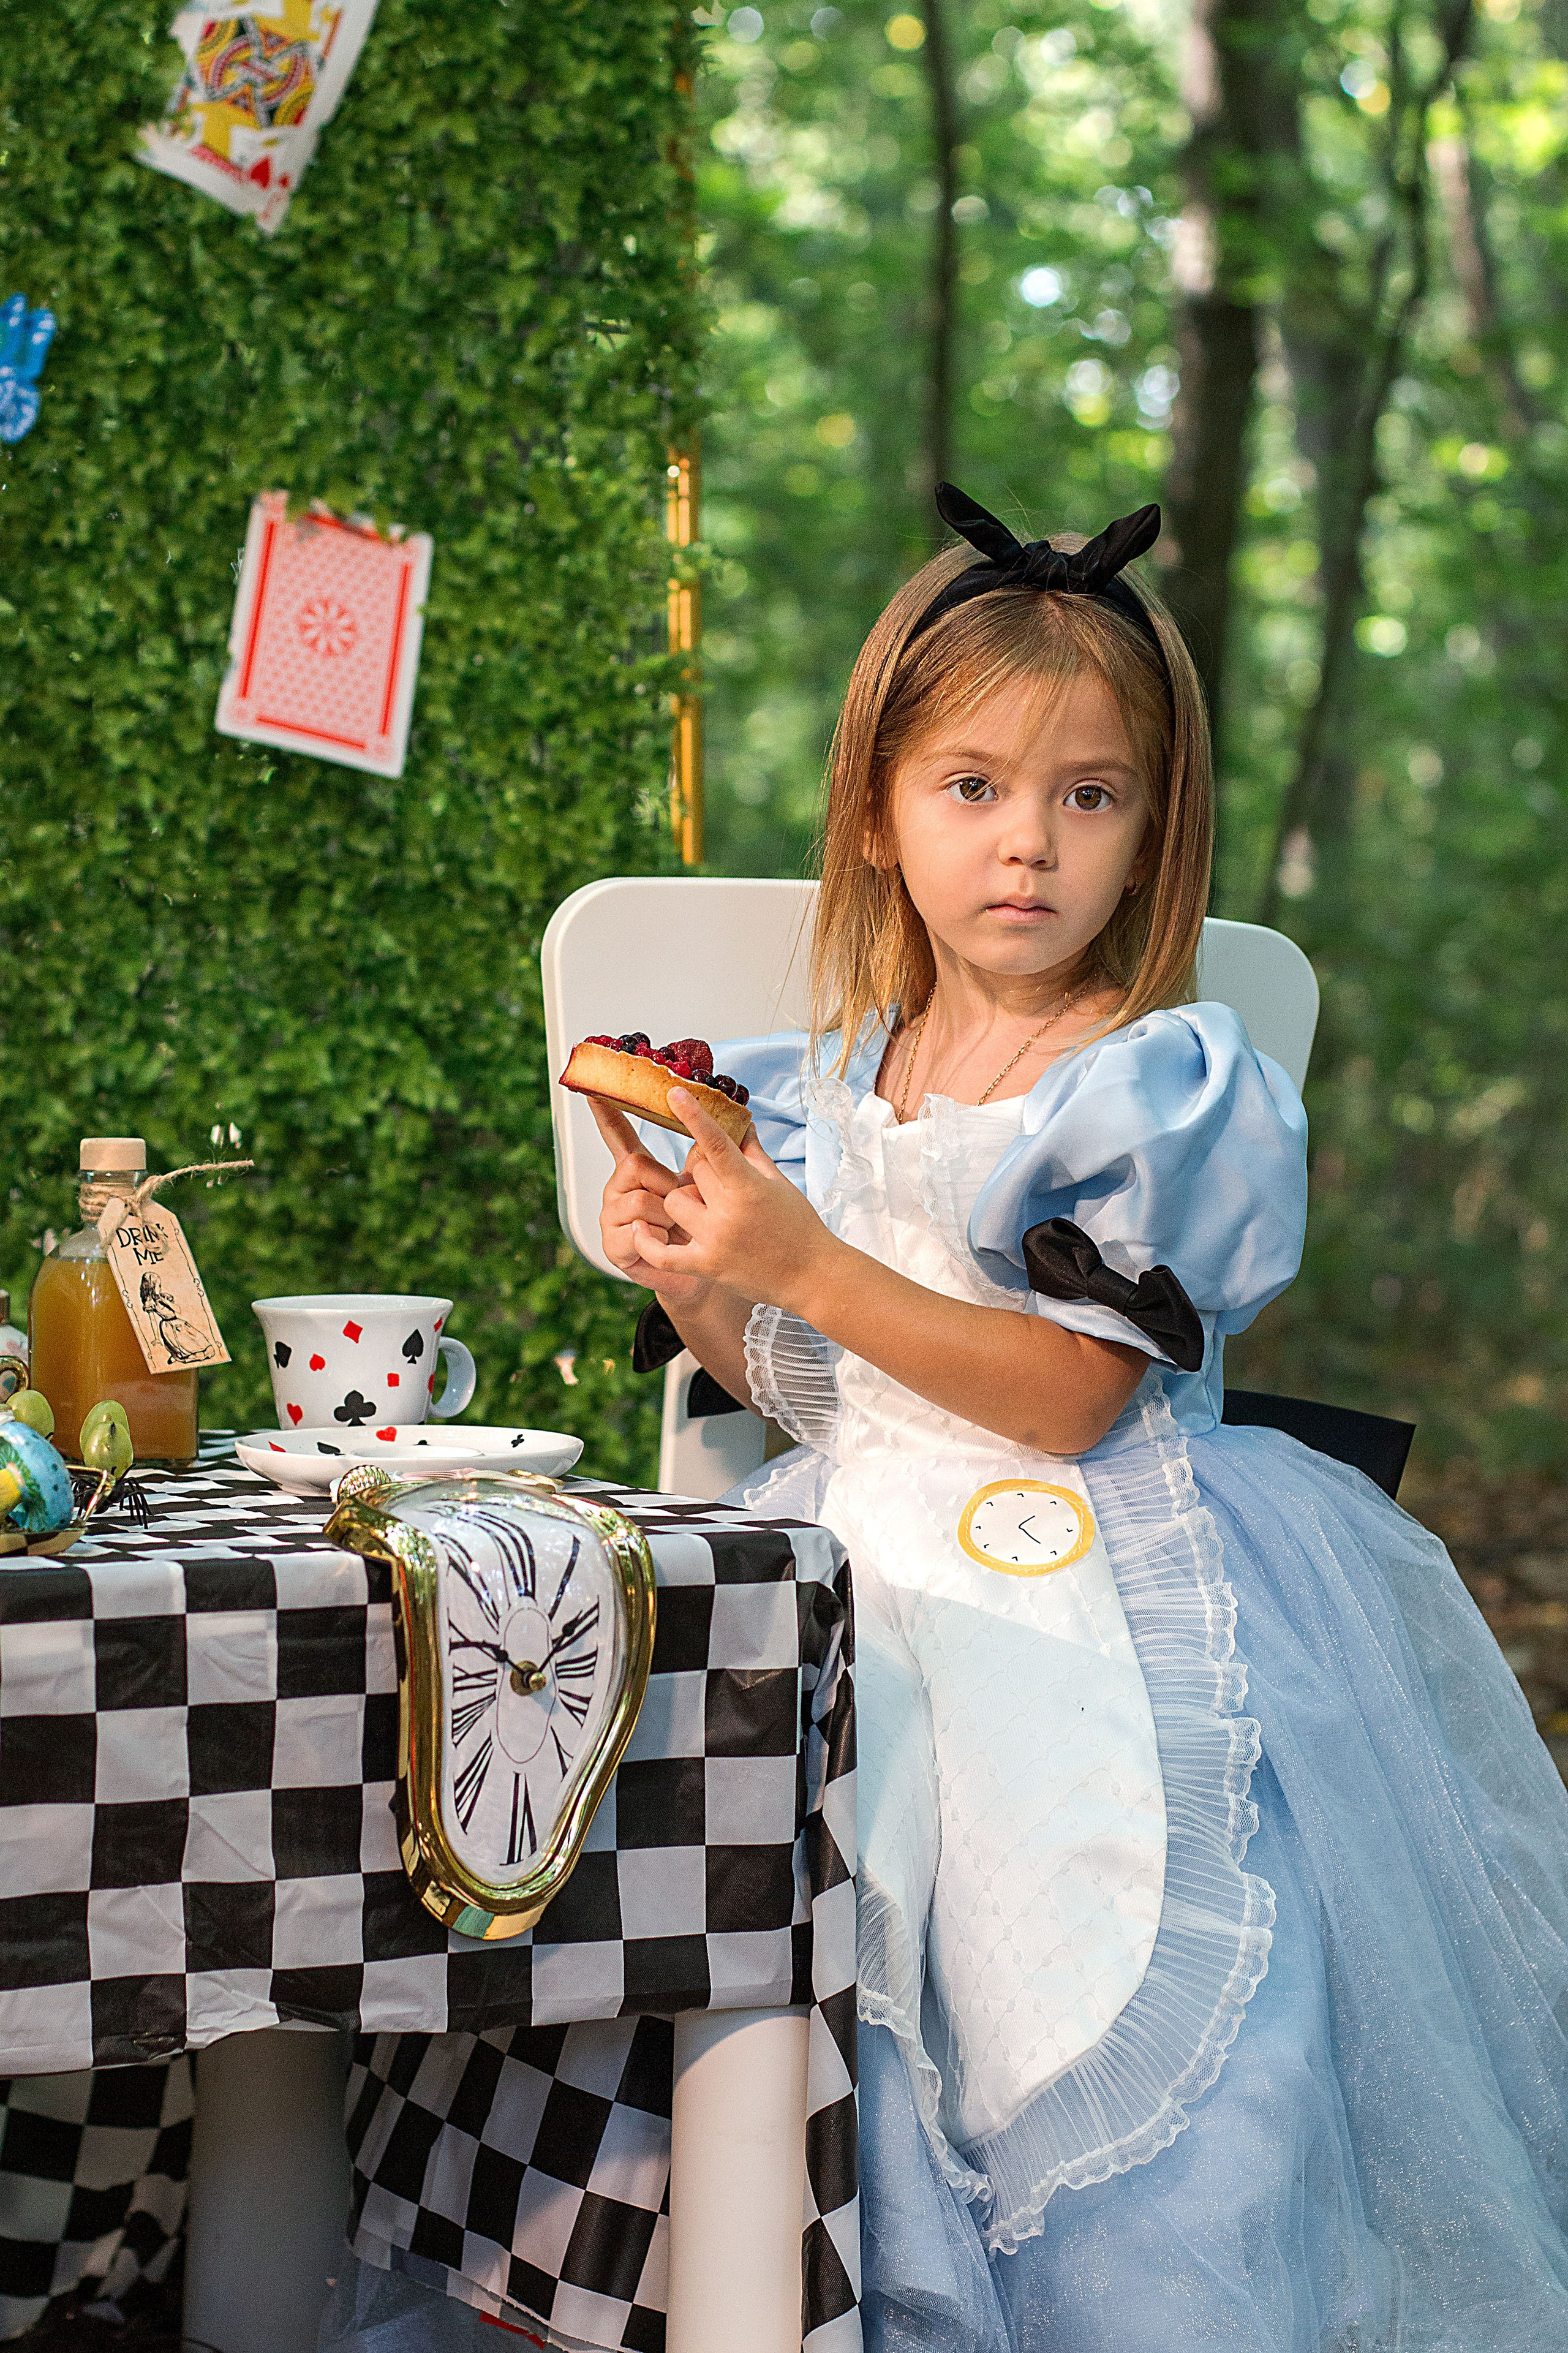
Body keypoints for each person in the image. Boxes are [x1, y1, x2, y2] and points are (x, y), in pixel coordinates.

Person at [591, 483, 1568, 2351]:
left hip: (1089, 1574)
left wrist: (799, 1260)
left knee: (1103, 1946)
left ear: (1153, 831)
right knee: (816, 1911)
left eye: (1089, 796)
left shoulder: (1151, 1078)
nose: (1026, 844)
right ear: (881, 812)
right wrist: (703, 1280)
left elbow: (1065, 1391)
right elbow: (817, 1383)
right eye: (972, 787)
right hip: (856, 1558)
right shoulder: (842, 1073)